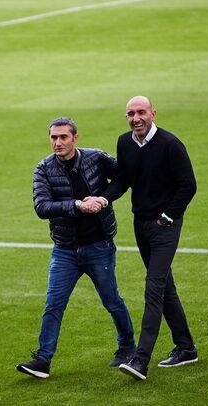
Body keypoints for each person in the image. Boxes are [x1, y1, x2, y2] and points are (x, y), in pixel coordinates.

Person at [16, 117, 135, 379]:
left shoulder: (96, 159)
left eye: (63, 137)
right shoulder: (43, 169)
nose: (57, 143)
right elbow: (42, 207)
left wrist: (103, 198)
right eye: (53, 138)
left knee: (111, 301)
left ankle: (127, 347)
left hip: (99, 246)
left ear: (75, 138)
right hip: (65, 250)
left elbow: (123, 178)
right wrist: (78, 205)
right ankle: (43, 361)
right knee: (53, 304)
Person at [98, 96, 198, 381]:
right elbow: (122, 180)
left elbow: (188, 186)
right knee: (165, 286)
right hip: (141, 225)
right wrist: (102, 199)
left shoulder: (170, 145)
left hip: (164, 226)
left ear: (153, 114)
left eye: (141, 112)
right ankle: (186, 348)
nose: (136, 118)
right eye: (130, 113)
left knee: (153, 287)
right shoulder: (125, 143)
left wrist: (168, 216)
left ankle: (140, 360)